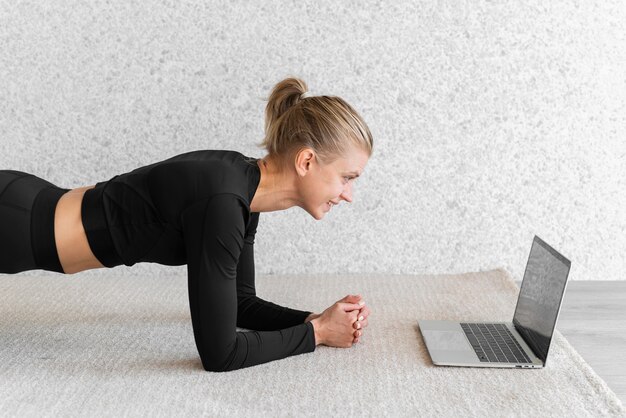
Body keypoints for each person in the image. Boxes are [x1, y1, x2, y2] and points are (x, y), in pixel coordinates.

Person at [0, 77, 373, 372]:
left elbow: (239, 305)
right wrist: (318, 334)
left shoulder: (242, 192)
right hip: (15, 227)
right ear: (307, 161)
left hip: (23, 208)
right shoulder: (224, 204)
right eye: (347, 177)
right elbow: (220, 354)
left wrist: (315, 319)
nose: (349, 194)